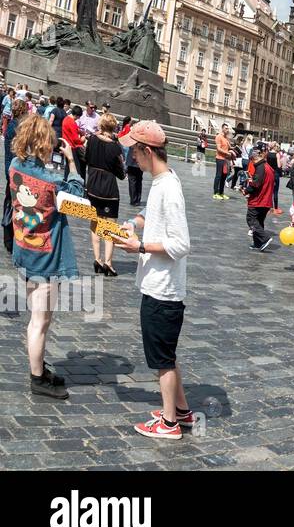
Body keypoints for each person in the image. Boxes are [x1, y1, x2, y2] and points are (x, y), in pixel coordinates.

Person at [117, 121, 194, 438]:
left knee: (162, 360)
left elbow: (181, 244)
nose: (131, 158)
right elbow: (151, 212)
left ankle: (169, 423)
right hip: (158, 285)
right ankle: (182, 412)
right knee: (168, 355)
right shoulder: (163, 178)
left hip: (163, 290)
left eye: (134, 151)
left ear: (147, 151)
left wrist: (140, 246)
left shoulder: (169, 189)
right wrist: (134, 223)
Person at [10, 113, 82, 399]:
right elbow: (76, 198)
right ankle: (37, 379)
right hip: (47, 256)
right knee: (40, 321)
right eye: (50, 142)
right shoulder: (52, 178)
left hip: (24, 248)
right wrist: (72, 162)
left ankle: (39, 368)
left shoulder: (14, 165)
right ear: (42, 143)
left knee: (36, 317)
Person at [83, 112, 126, 277]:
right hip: (109, 190)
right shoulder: (115, 147)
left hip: (92, 186)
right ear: (114, 127)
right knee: (110, 226)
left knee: (95, 224)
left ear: (101, 126)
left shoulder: (92, 140)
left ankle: (97, 259)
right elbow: (121, 174)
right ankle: (108, 262)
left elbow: (86, 158)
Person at [243, 145, 276, 252]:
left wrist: (246, 190)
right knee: (259, 221)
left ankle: (264, 238)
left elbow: (256, 184)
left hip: (259, 200)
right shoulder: (268, 167)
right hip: (265, 201)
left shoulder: (261, 167)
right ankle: (258, 243)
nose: (252, 162)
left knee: (251, 220)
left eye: (252, 160)